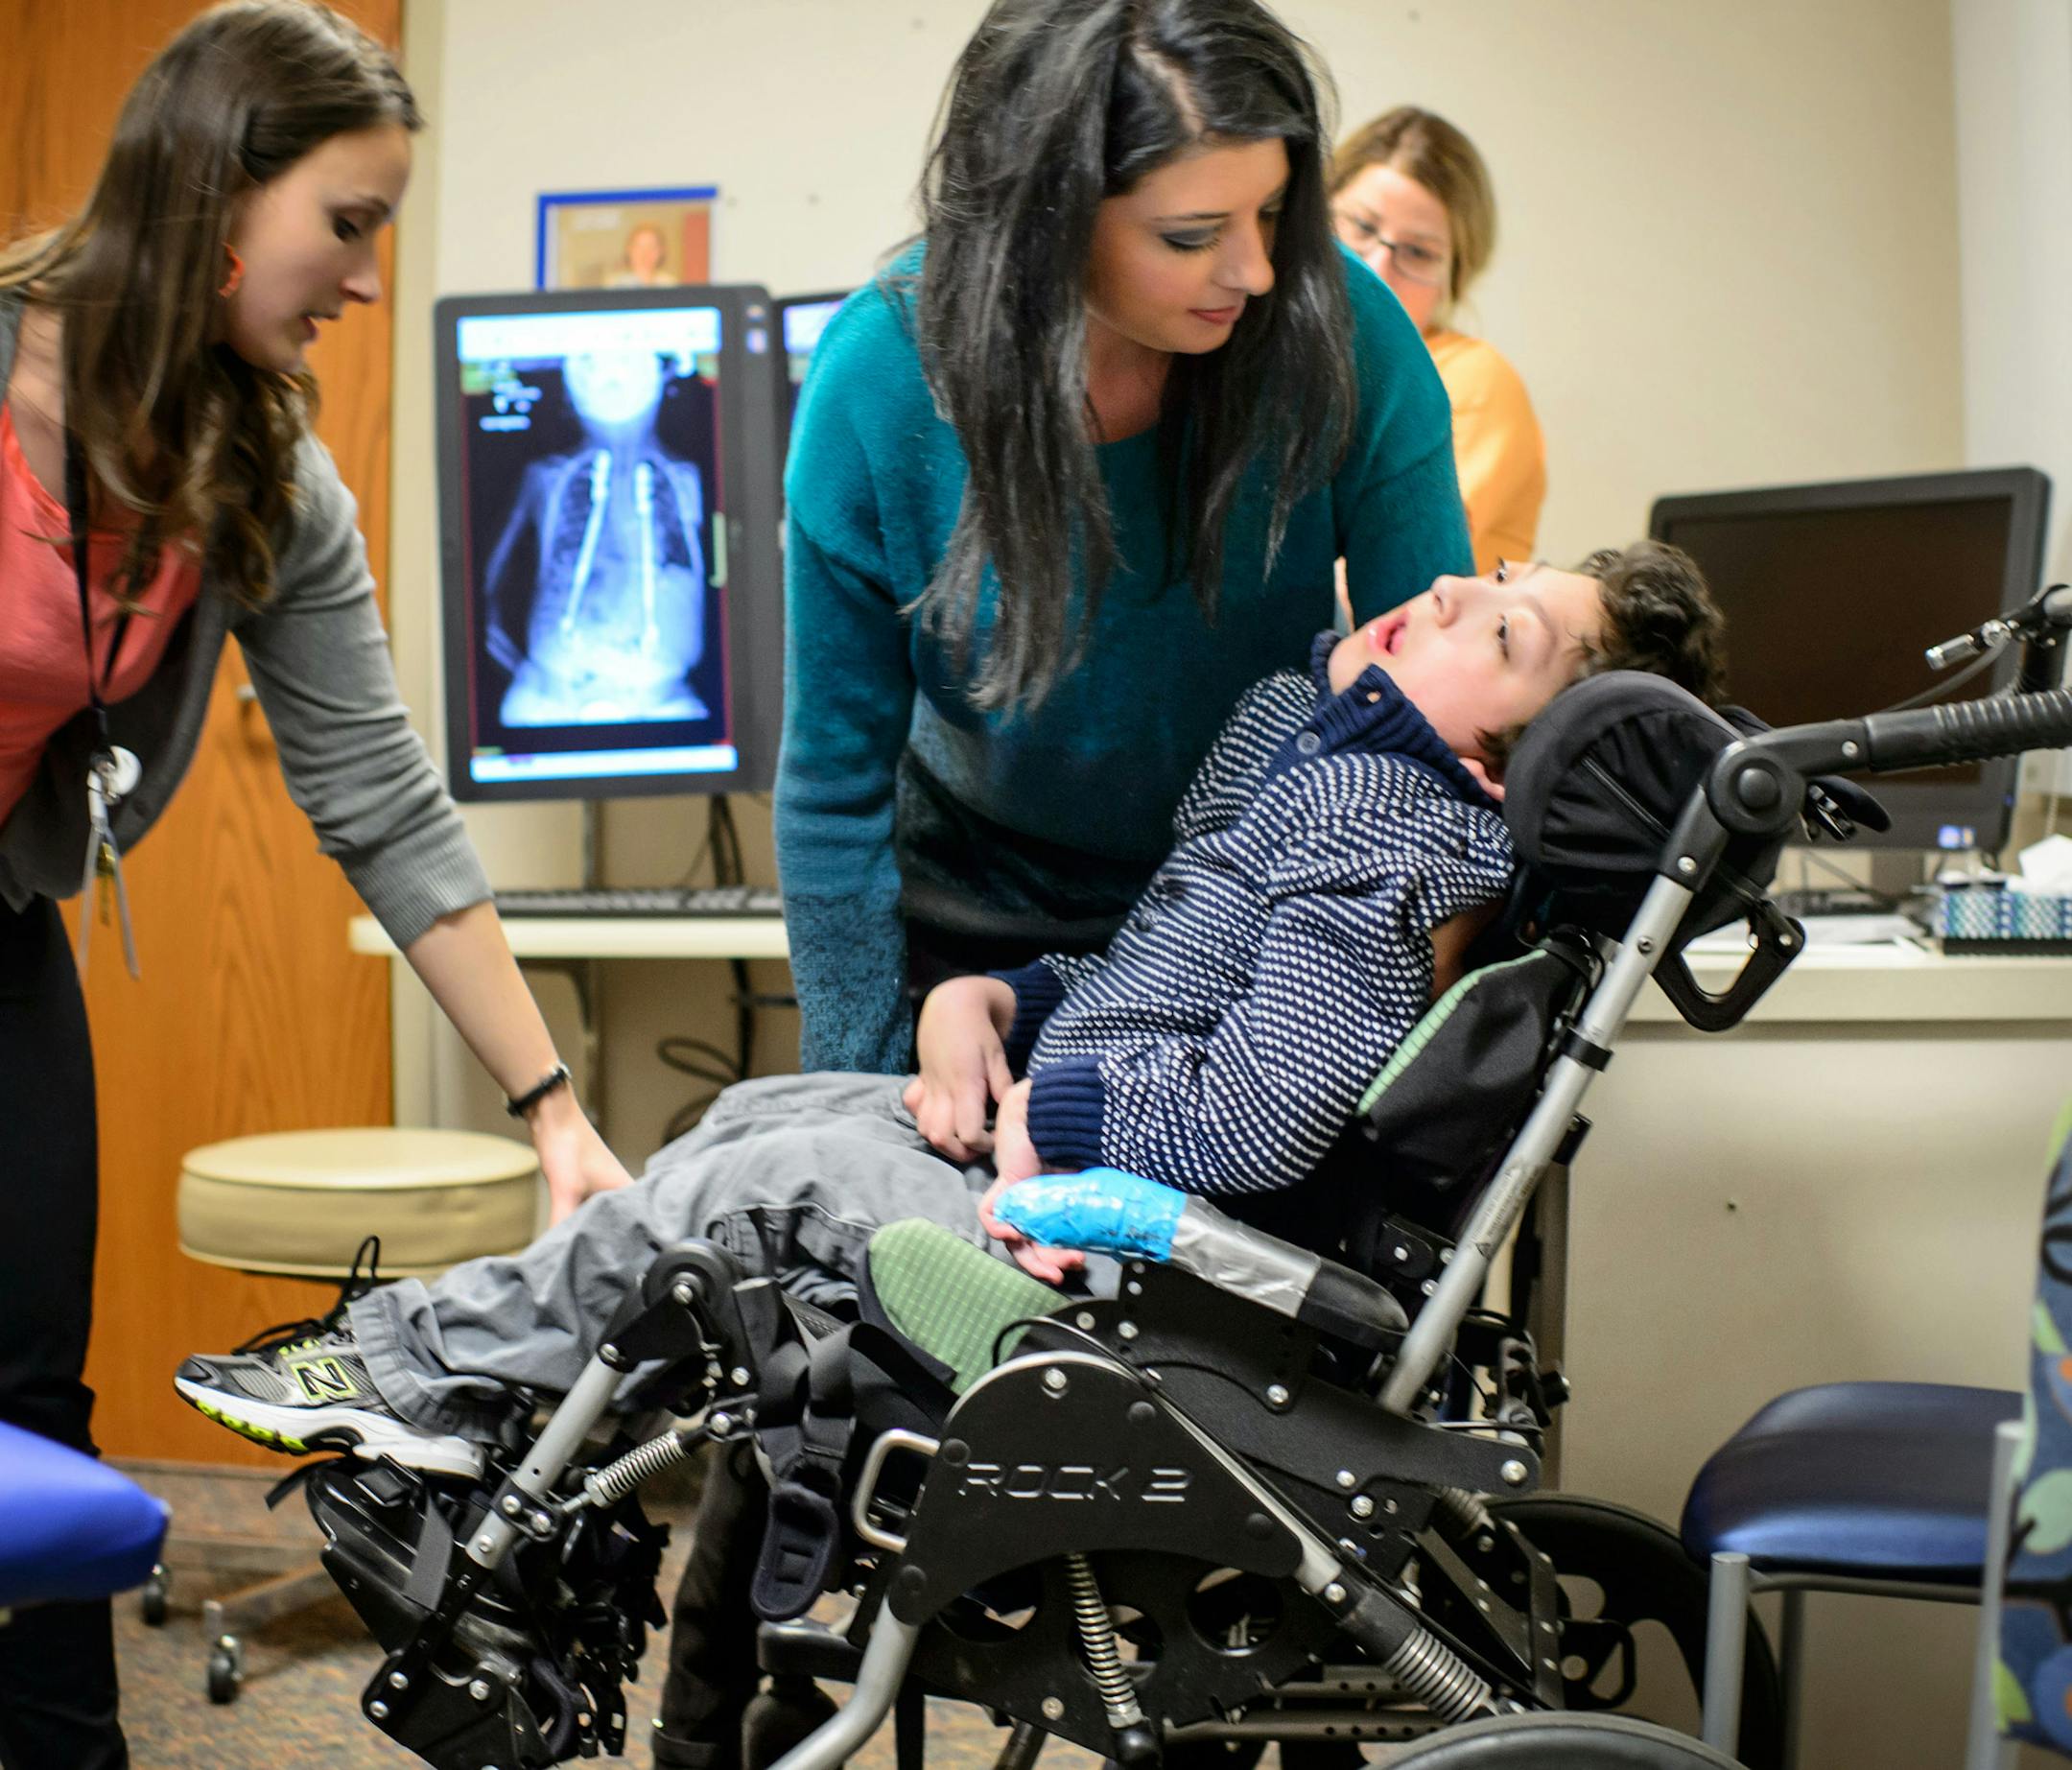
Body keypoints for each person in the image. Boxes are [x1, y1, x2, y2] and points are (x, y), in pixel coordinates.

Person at [174, 540, 1726, 1467]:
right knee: (752, 1113)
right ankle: (504, 1417)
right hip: (1090, 1193)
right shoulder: (1334, 771)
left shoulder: (1391, 831)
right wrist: (996, 999)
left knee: (765, 1178)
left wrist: (1043, 1112)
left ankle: (407, 1376)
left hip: (1130, 1275)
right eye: (1492, 578)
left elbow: (1256, 1114)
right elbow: (1168, 986)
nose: (1451, 583)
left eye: (1501, 629)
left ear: (1496, 767)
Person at [0, 8, 628, 1762]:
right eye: (345, 222)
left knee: (31, 1387)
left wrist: (554, 1104)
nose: (369, 275)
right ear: (216, 199)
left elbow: (384, 802)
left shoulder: (260, 472)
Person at [776, 0, 1478, 1089]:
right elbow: (833, 790)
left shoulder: (1352, 340)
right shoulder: (881, 376)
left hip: (1253, 930)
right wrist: (851, 1094)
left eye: (1275, 213)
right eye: (1191, 235)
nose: (1251, 271)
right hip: (970, 940)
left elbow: (1437, 733)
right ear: (1044, 219)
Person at [1330, 106, 1545, 576]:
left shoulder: (1472, 380)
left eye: (1418, 253)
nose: (1376, 270)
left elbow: (1384, 577)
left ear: (1457, 277)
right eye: (1362, 228)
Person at [605, 223, 672, 289]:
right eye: (639, 247)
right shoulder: (615, 285)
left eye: (652, 247)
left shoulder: (669, 284)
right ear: (629, 250)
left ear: (661, 251)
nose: (645, 254)